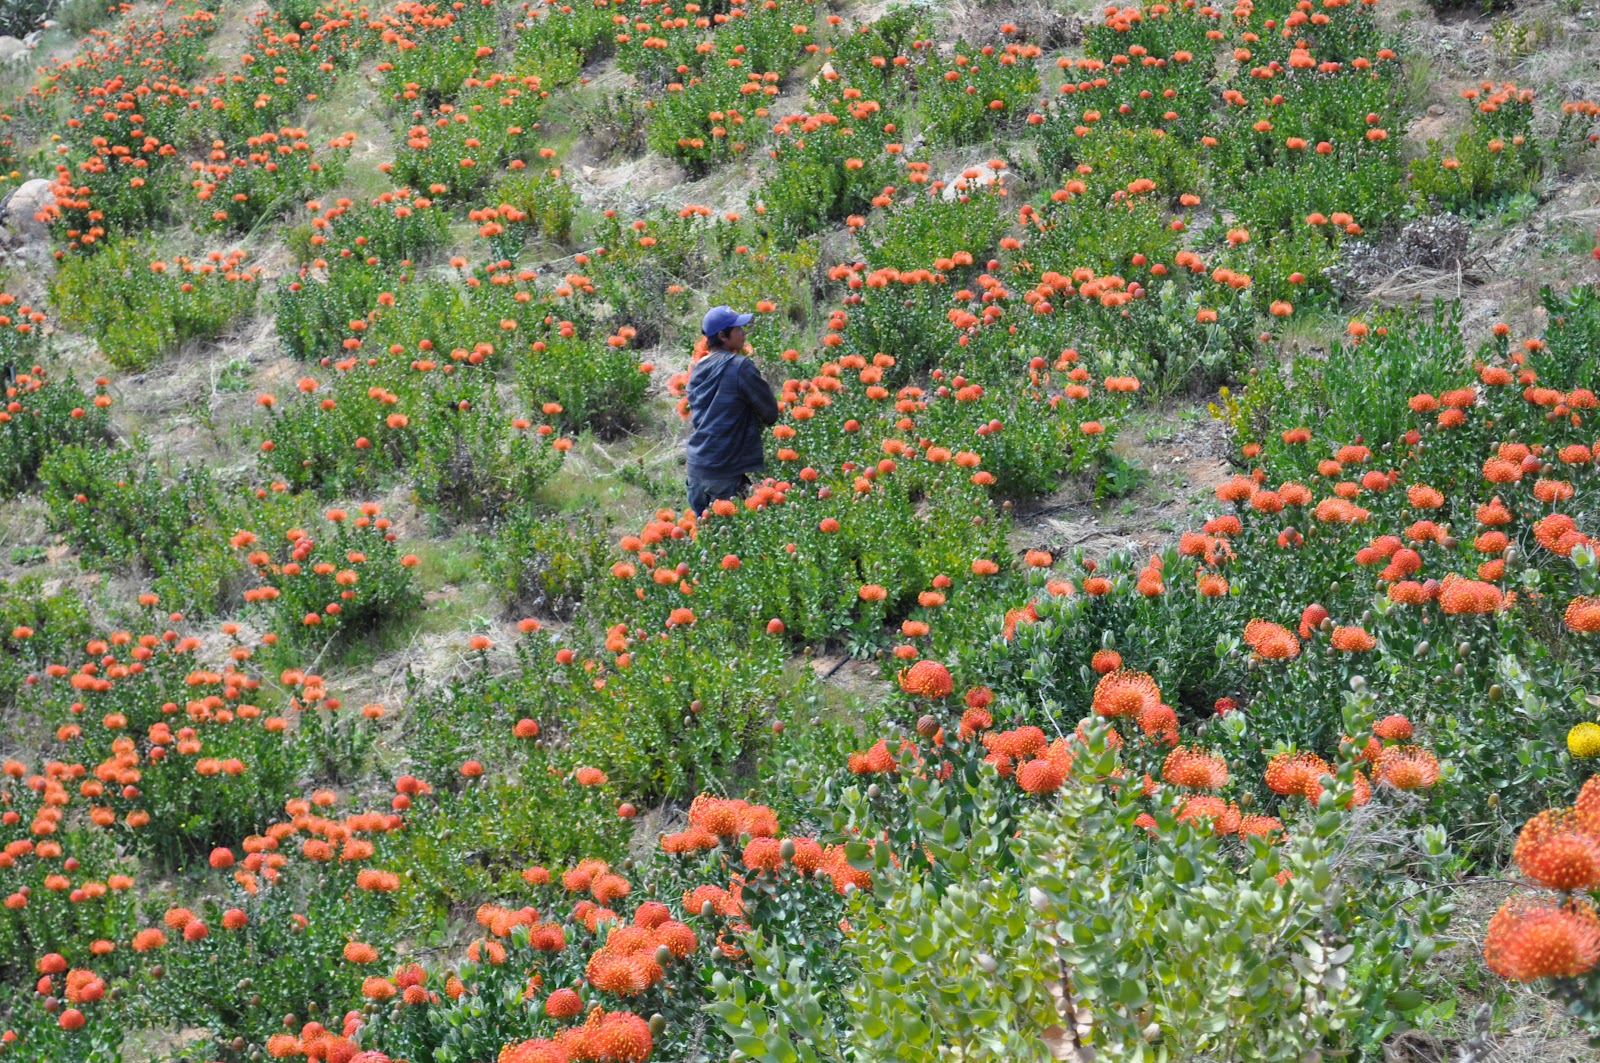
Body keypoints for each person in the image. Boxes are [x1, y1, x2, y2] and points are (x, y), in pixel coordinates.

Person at [685, 305, 779, 515]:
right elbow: (770, 412)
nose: (743, 332)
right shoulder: (740, 366)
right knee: (739, 539)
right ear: (722, 336)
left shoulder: (697, 369)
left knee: (709, 540)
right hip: (724, 472)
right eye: (737, 329)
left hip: (696, 469)